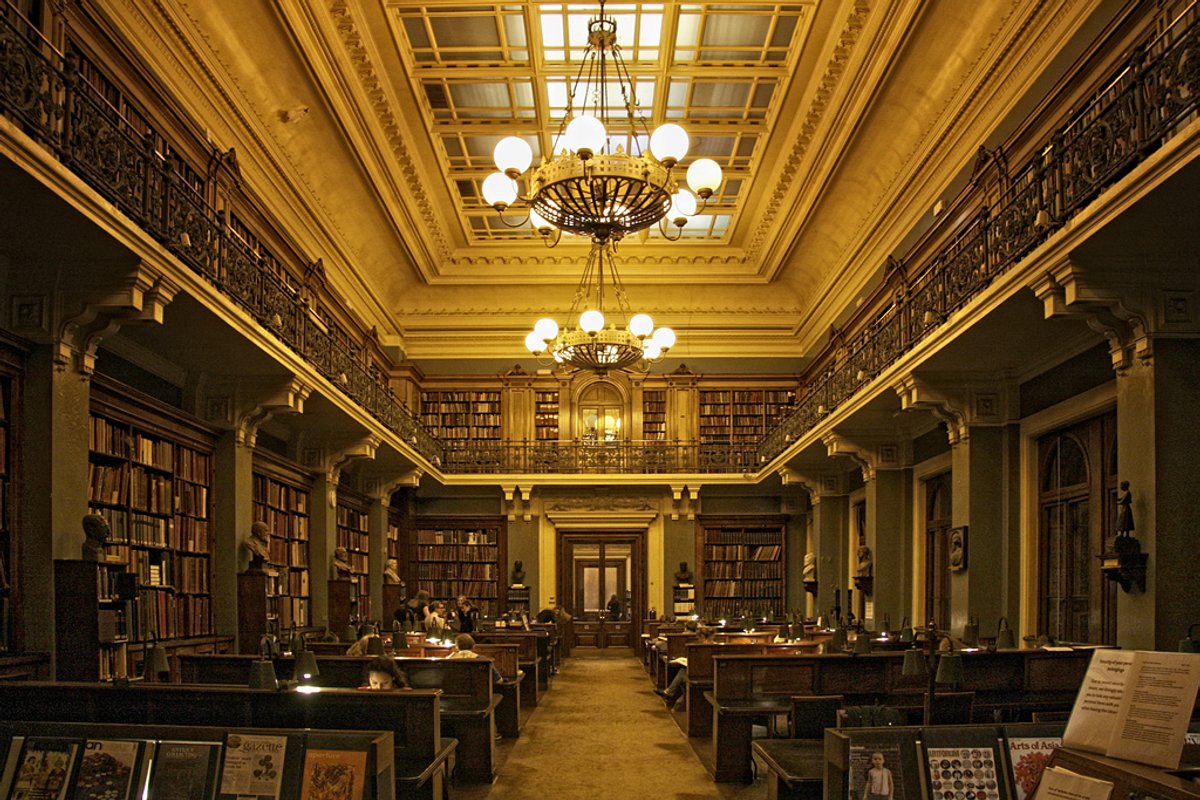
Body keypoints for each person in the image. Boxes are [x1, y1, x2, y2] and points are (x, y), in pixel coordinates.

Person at [656, 625, 714, 710]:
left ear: (702, 637)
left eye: (699, 638)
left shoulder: (705, 647)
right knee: (683, 672)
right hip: (705, 671)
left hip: (706, 673)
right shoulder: (712, 645)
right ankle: (670, 694)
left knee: (683, 673)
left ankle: (670, 694)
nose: (698, 640)